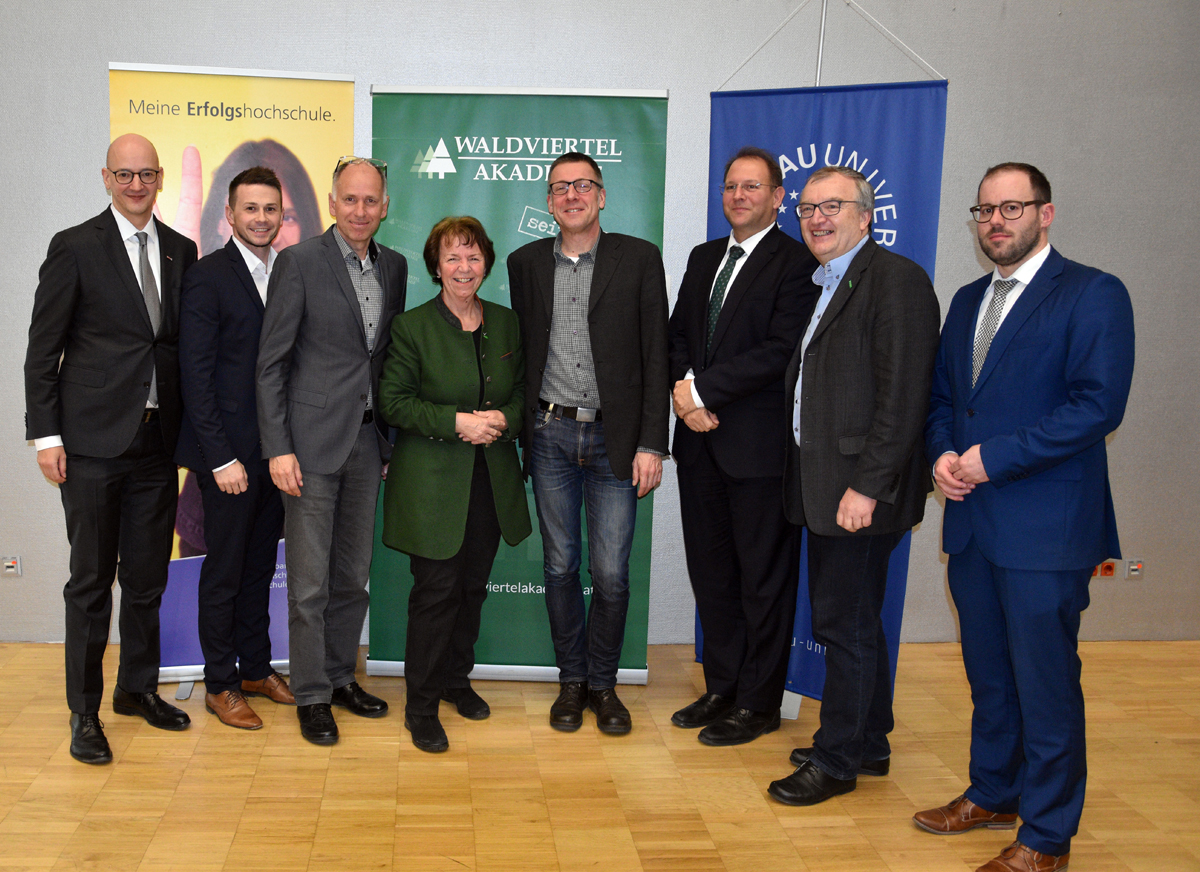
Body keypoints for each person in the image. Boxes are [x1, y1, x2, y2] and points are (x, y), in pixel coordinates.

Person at [917, 163, 1134, 872]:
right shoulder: (968, 297)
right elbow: (947, 398)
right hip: (974, 522)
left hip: (1046, 526)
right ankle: (993, 792)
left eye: (1012, 208)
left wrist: (989, 460)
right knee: (990, 674)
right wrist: (944, 455)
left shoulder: (1094, 293)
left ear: (1046, 214)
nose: (996, 222)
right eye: (985, 210)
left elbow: (1096, 406)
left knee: (1044, 683)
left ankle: (1045, 835)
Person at [766, 165, 940, 805]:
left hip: (859, 493)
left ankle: (836, 761)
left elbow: (903, 397)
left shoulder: (895, 281)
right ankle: (868, 740)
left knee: (844, 624)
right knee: (858, 618)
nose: (816, 218)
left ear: (866, 216)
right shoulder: (827, 283)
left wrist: (866, 486)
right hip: (829, 486)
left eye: (832, 206)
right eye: (808, 208)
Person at [24, 133, 198, 764]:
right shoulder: (74, 246)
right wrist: (47, 436)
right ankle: (84, 714)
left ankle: (137, 690)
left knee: (147, 579)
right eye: (124, 174)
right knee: (91, 585)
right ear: (105, 177)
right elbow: (43, 350)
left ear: (158, 178)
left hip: (156, 445)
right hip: (91, 444)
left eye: (146, 173)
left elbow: (176, 348)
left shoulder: (181, 250)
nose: (136, 184)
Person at [507, 152, 670, 735]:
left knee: (611, 573)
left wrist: (653, 442)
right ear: (549, 202)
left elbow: (658, 355)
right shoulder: (523, 262)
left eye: (583, 186)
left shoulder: (639, 259)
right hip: (549, 434)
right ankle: (570, 682)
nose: (571, 195)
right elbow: (522, 352)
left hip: (617, 441)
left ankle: (605, 685)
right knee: (558, 566)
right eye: (560, 188)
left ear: (601, 196)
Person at [667, 146, 817, 745]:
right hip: (699, 446)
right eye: (730, 186)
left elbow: (782, 350)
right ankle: (722, 687)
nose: (738, 196)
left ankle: (759, 703)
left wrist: (702, 392)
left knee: (763, 580)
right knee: (713, 576)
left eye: (752, 187)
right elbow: (679, 333)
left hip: (757, 451)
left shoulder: (798, 262)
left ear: (778, 197)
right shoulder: (705, 257)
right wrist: (684, 392)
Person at [256, 156, 407, 745]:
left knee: (353, 577)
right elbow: (271, 366)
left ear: (384, 205)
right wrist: (278, 448)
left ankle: (342, 677)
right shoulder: (297, 263)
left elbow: (386, 358)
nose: (361, 211)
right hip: (310, 447)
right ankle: (313, 694)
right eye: (351, 200)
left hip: (368, 443)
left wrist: (389, 439)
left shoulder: (392, 267)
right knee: (310, 583)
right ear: (332, 200)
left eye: (371, 201)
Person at [378, 216, 532, 752]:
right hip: (431, 486)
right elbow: (394, 403)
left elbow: (521, 395)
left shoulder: (508, 323)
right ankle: (420, 706)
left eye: (472, 257)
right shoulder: (411, 327)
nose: (463, 268)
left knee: (472, 588)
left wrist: (503, 421)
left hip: (491, 481)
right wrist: (459, 422)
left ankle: (454, 681)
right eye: (452, 258)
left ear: (486, 263)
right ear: (435, 267)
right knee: (436, 592)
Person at [176, 166, 293, 731]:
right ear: (230, 214)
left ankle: (255, 668)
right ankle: (220, 682)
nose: (262, 219)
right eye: (251, 209)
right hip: (227, 459)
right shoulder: (208, 276)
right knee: (223, 572)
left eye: (271, 209)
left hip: (275, 456)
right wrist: (220, 459)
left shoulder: (287, 272)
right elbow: (195, 378)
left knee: (256, 568)